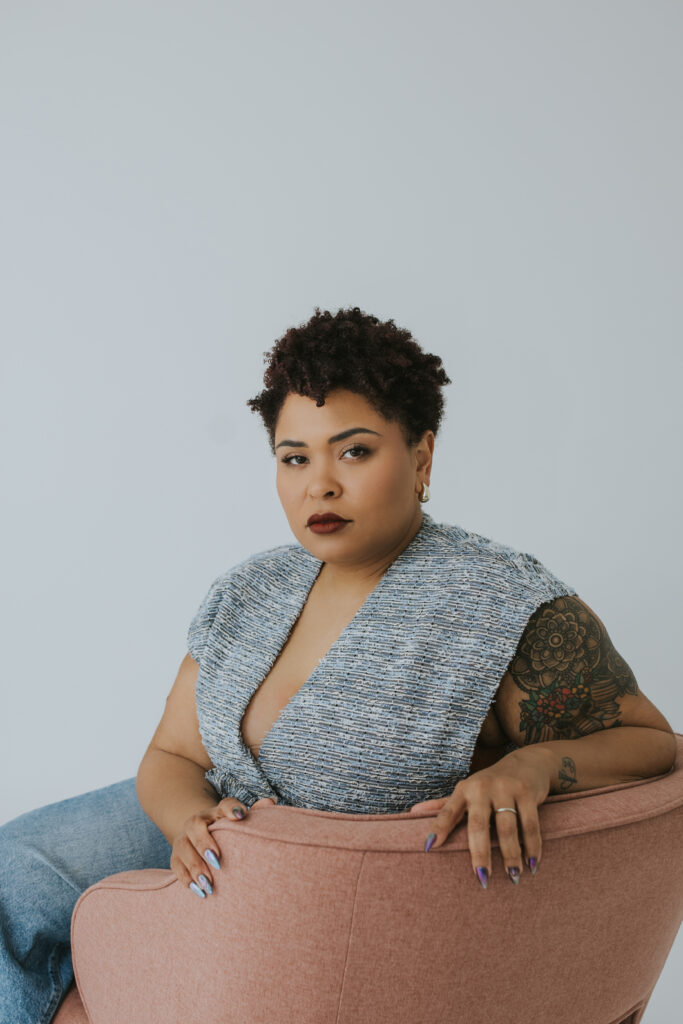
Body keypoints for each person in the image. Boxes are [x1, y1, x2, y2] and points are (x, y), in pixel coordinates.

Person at [0, 306, 676, 1024]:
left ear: (421, 458)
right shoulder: (249, 588)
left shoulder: (499, 602)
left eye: (353, 452)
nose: (318, 485)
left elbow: (651, 744)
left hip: (319, 908)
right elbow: (171, 754)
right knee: (13, 876)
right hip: (213, 845)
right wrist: (187, 819)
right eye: (294, 458)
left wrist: (530, 766)